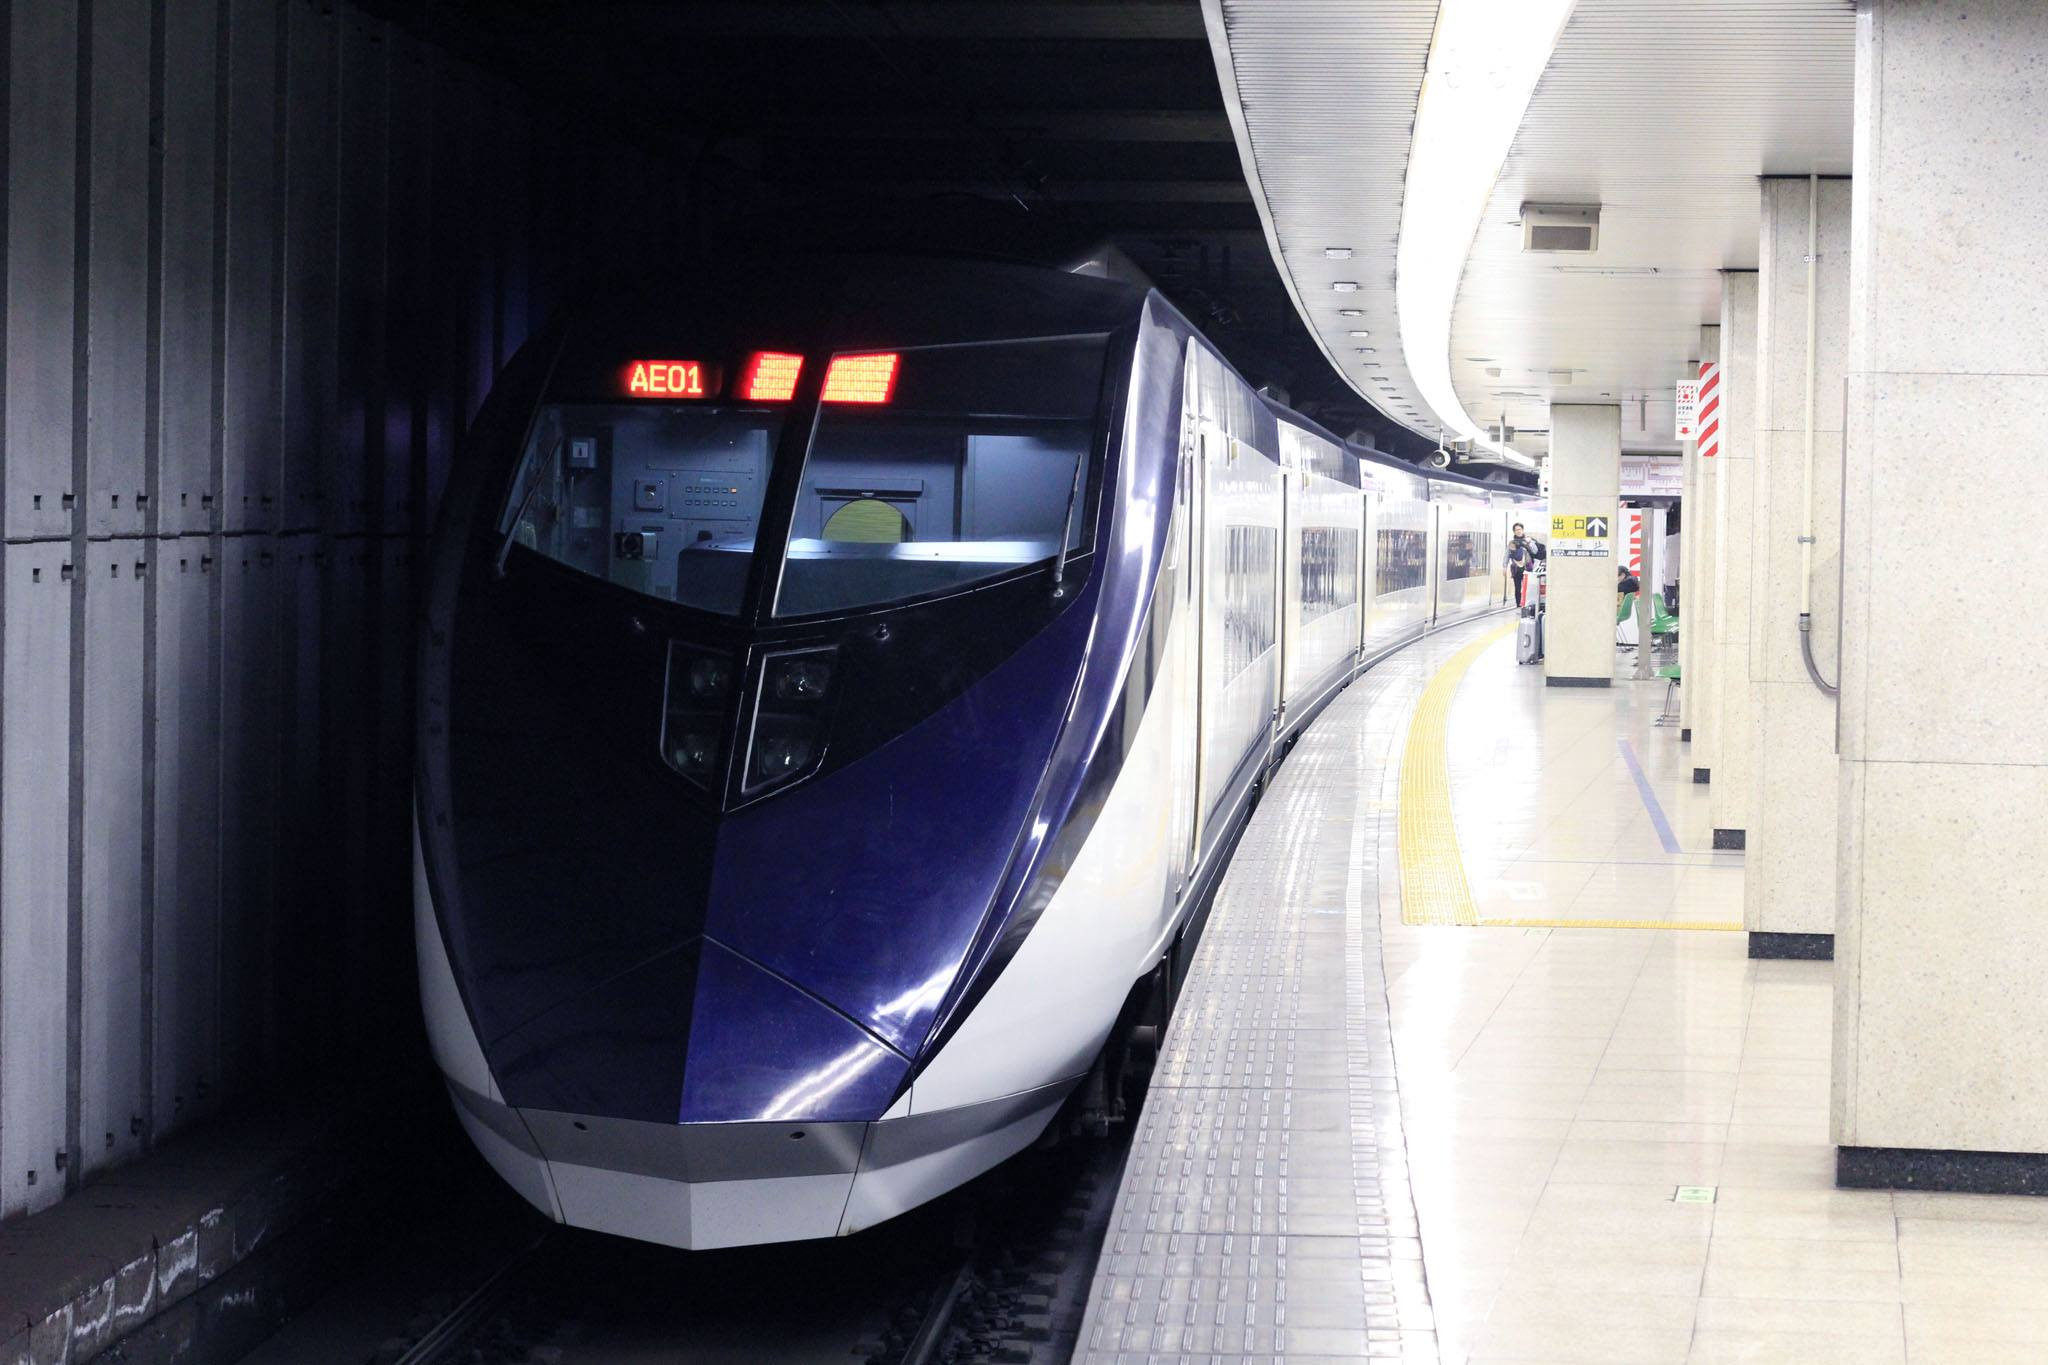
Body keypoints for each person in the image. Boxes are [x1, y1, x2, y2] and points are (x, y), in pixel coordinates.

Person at [1506, 523, 1545, 609]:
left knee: (1527, 586)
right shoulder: (1512, 543)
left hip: (1528, 567)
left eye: (1519, 529)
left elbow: (1535, 552)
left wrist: (1529, 543)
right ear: (1514, 531)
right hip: (1516, 568)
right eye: (1516, 530)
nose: (1518, 531)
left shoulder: (1529, 540)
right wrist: (1504, 567)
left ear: (1522, 530)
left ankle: (1526, 602)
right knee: (1517, 586)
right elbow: (1507, 555)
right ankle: (1518, 603)